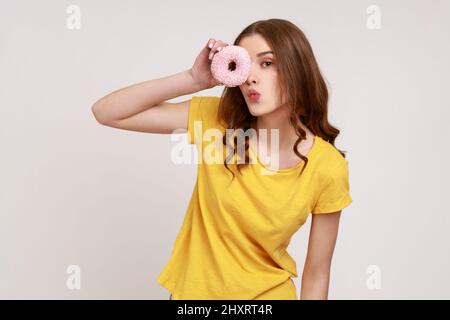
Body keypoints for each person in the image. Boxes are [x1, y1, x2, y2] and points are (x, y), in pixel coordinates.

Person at [91, 18, 353, 300]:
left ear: (297, 68)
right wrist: (193, 78)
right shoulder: (218, 122)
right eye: (244, 64)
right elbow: (107, 112)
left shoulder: (327, 167)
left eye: (267, 63)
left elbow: (317, 275)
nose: (251, 77)